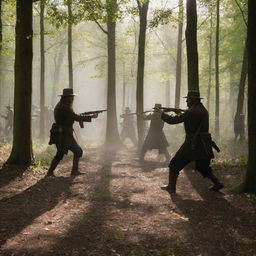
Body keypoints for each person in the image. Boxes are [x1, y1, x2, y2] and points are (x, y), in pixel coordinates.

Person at [158, 91, 223, 193]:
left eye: (188, 99)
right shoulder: (203, 110)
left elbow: (173, 121)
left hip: (192, 143)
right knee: (203, 167)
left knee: (174, 164)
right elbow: (193, 120)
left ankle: (171, 187)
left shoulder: (191, 112)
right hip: (203, 144)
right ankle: (217, 183)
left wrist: (162, 114)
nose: (187, 101)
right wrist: (181, 113)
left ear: (194, 100)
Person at [46, 88, 98, 177]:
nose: (72, 99)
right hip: (63, 134)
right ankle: (50, 172)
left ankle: (73, 171)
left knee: (76, 151)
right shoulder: (64, 107)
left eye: (72, 97)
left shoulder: (63, 105)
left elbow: (72, 116)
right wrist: (91, 117)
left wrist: (81, 116)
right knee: (62, 153)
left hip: (65, 134)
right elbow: (75, 117)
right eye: (71, 97)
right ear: (66, 97)